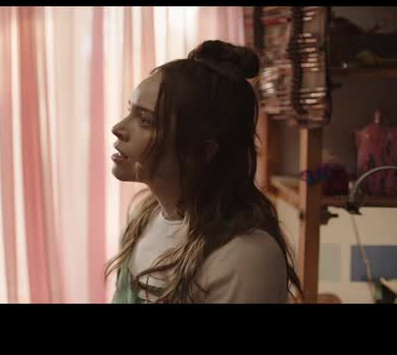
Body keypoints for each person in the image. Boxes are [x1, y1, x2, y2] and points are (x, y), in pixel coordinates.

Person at [106, 40, 301, 303]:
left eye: (145, 120)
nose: (118, 128)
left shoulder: (244, 256)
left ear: (202, 150)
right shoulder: (143, 218)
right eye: (131, 111)